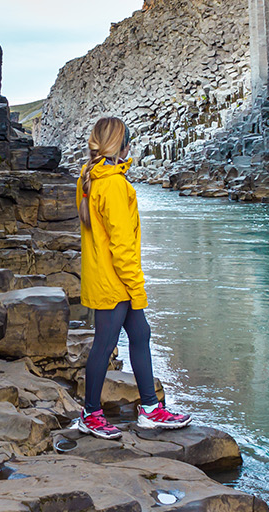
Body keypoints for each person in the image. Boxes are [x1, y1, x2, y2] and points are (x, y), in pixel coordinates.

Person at [75, 116, 193, 440]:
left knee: (140, 333)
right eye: (129, 141)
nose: (131, 147)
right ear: (121, 145)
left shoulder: (92, 177)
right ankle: (90, 413)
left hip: (106, 277)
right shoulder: (113, 184)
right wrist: (136, 288)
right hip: (115, 282)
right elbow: (122, 247)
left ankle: (151, 410)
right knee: (105, 343)